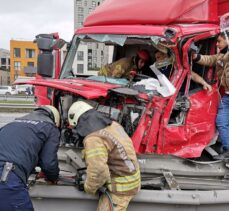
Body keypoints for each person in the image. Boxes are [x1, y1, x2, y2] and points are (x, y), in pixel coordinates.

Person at [68, 101, 141, 211]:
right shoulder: (114, 126)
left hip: (120, 190)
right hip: (132, 179)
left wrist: (88, 187)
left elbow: (99, 171)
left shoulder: (93, 139)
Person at [0, 105, 61, 211]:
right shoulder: (50, 127)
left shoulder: (11, 124)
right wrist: (52, 177)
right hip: (6, 178)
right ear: (54, 119)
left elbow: (16, 151)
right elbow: (48, 163)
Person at [192, 31, 229, 158]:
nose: (217, 44)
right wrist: (196, 57)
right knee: (221, 121)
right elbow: (210, 60)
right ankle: (227, 150)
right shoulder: (221, 56)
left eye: (219, 41)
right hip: (227, 96)